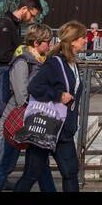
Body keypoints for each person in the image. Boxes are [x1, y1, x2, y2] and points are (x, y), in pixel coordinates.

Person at [15, 20, 86, 192]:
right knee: (31, 174)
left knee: (70, 173)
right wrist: (58, 95)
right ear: (74, 40)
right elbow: (34, 87)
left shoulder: (73, 63)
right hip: (47, 128)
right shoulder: (55, 62)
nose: (86, 40)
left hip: (65, 130)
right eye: (83, 37)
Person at [0, 23, 53, 192]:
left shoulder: (42, 61)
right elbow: (20, 95)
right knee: (7, 162)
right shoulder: (23, 62)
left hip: (35, 116)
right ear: (36, 43)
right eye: (47, 41)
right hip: (18, 118)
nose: (50, 44)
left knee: (41, 163)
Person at [0, 0, 42, 182]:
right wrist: (24, 54)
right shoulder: (5, 24)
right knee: (4, 131)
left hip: (9, 80)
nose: (32, 19)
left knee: (10, 130)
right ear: (25, 8)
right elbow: (3, 55)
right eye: (32, 15)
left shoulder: (13, 24)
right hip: (3, 80)